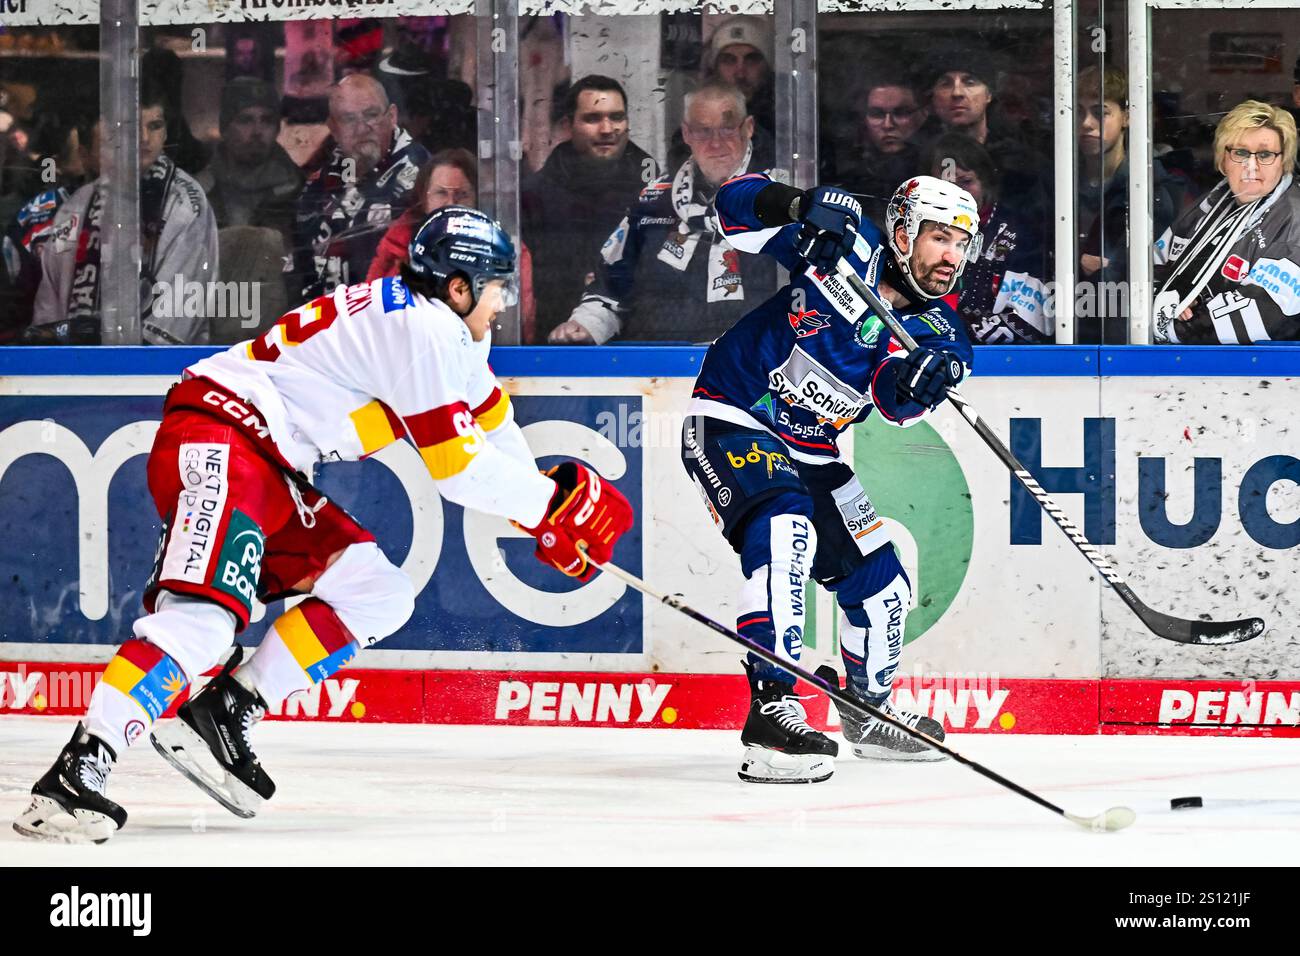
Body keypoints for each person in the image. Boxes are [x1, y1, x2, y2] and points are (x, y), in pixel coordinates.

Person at [12, 206, 634, 844]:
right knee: (200, 622)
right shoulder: (422, 329)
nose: (504, 300)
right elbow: (455, 467)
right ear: (458, 285)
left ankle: (227, 708)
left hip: (266, 463)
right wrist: (543, 509)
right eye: (496, 285)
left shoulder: (451, 331)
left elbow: (490, 423)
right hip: (222, 437)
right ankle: (76, 775)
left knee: (378, 594)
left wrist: (544, 511)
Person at [680, 174, 978, 782]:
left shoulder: (945, 335)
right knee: (787, 529)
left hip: (812, 450)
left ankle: (868, 713)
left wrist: (920, 378)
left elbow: (895, 402)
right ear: (901, 232)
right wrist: (797, 205)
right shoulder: (848, 248)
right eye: (938, 238)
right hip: (733, 415)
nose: (950, 256)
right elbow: (732, 212)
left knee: (881, 586)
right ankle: (772, 714)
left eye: (961, 244)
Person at [550, 83, 778, 344]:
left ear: (748, 128)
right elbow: (611, 284)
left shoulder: (780, 202)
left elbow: (808, 295)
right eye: (703, 131)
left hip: (751, 366)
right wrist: (585, 325)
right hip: (657, 368)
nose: (716, 143)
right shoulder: (654, 199)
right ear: (687, 133)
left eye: (727, 129)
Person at [22, 81, 219, 345]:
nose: (145, 139)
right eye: (131, 128)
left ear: (166, 134)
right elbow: (47, 322)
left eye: (155, 126)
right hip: (71, 372)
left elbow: (168, 333)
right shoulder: (76, 205)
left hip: (156, 375)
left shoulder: (186, 204)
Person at [521, 75, 658, 340]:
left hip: (640, 351)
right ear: (567, 125)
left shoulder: (653, 193)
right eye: (593, 118)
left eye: (616, 117)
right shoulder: (534, 196)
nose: (607, 129)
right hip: (555, 348)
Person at [1154, 100, 1300, 344]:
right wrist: (1169, 298)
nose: (1251, 166)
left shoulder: (1294, 223)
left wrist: (1166, 324)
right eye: (1240, 153)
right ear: (1223, 160)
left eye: (1265, 154)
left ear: (1283, 162)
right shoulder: (1208, 207)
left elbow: (1264, 315)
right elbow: (1153, 268)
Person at [367, 148, 536, 341]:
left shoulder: (502, 250)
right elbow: (373, 315)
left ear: (477, 198)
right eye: (441, 193)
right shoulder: (396, 243)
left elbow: (520, 325)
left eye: (462, 194)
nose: (451, 203)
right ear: (424, 198)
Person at [289, 74, 430, 301]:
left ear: (392, 116)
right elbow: (301, 268)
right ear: (333, 128)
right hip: (329, 322)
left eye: (371, 115)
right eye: (348, 119)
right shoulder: (318, 184)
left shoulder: (424, 177)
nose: (362, 128)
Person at [1076, 66, 1183, 344]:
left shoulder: (1154, 190)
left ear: (1127, 117)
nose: (1086, 123)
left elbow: (1159, 269)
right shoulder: (1052, 185)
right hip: (1064, 330)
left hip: (1129, 334)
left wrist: (1112, 266)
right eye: (1076, 111)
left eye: (1100, 112)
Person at [926, 133, 1052, 344]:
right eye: (945, 185)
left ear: (986, 182)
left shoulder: (1020, 235)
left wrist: (951, 340)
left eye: (966, 182)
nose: (958, 193)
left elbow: (1026, 320)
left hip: (996, 364)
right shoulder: (917, 233)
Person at [198, 78, 304, 240]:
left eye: (267, 121)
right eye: (245, 120)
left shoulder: (301, 191)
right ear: (224, 128)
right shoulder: (197, 190)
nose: (257, 131)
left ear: (277, 129)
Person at [838, 75, 934, 227]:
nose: (888, 125)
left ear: (923, 115)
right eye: (877, 114)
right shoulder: (847, 174)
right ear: (864, 118)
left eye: (901, 113)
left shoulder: (936, 171)